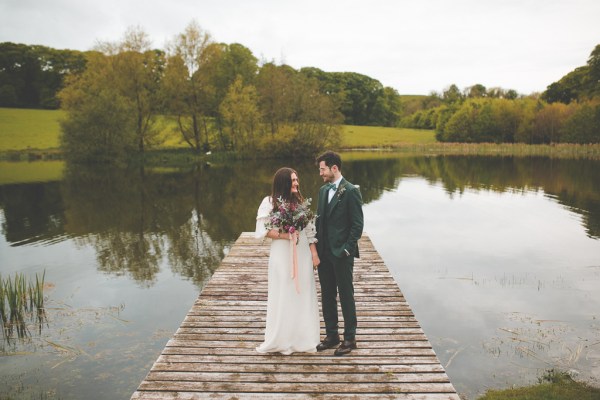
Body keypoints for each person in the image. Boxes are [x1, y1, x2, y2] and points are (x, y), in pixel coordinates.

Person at [254, 167, 321, 354]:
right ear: (284, 183)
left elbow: (309, 231)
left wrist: (314, 254)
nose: (297, 183)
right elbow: (263, 230)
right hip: (282, 254)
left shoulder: (300, 202)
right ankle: (282, 338)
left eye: (297, 179)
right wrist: (285, 235)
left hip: (302, 253)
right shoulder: (269, 202)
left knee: (303, 291)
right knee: (284, 291)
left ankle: (304, 338)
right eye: (293, 181)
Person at [315, 151, 364, 356]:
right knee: (327, 295)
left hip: (342, 253)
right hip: (324, 252)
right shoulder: (323, 190)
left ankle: (350, 339)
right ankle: (332, 335)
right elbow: (320, 221)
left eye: (322, 169)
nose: (321, 173)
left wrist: (346, 249)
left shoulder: (351, 191)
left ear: (334, 168)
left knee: (346, 295)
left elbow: (357, 225)